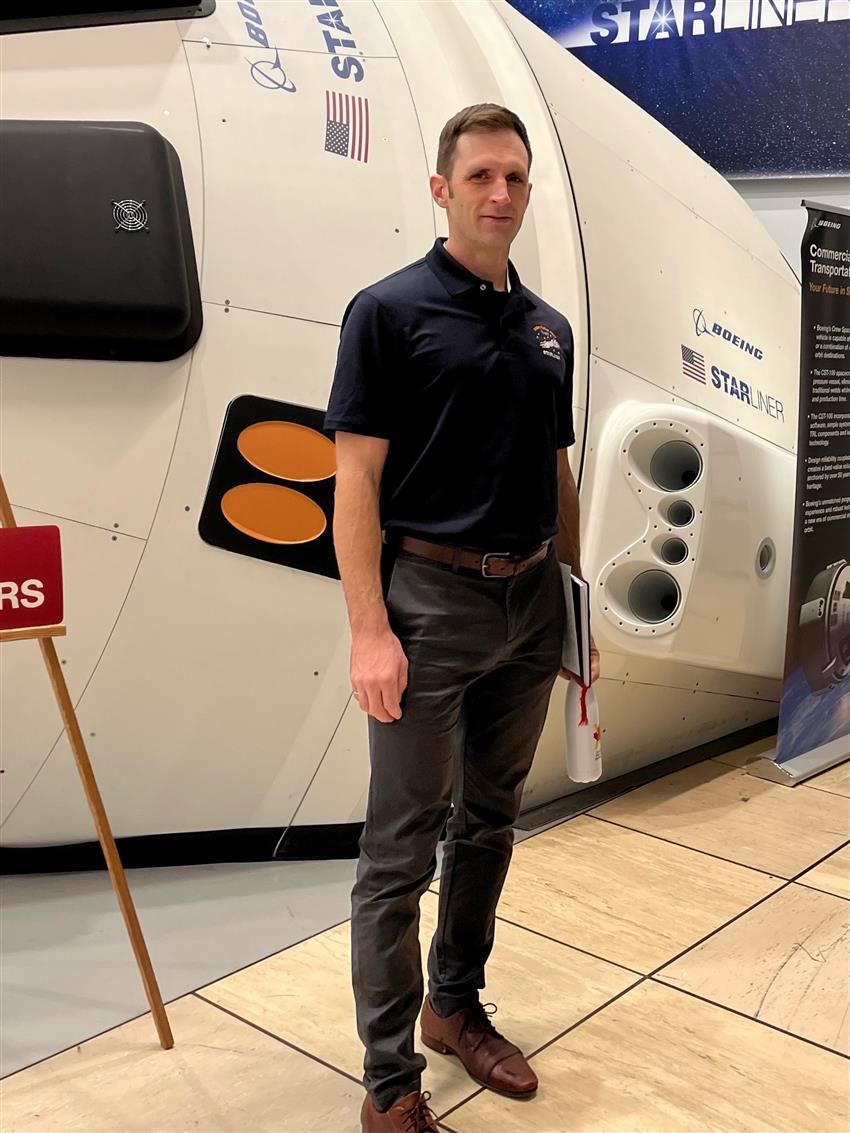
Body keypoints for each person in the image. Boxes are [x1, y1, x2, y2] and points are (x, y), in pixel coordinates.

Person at [325, 104, 600, 1133]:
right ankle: (389, 1080)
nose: (500, 194)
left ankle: (454, 1003)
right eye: (481, 174)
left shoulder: (548, 329)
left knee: (489, 821)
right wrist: (367, 627)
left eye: (515, 178)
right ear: (441, 188)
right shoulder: (386, 313)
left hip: (529, 600)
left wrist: (569, 605)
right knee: (399, 848)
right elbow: (353, 481)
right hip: (429, 603)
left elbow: (555, 468)